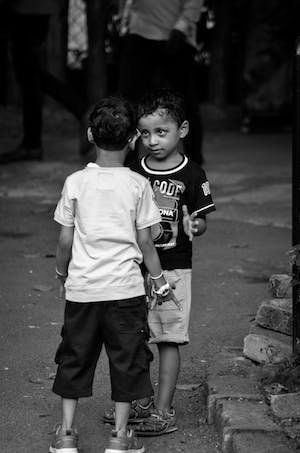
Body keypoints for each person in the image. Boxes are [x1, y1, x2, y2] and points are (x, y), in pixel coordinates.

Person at [50, 96, 178, 453]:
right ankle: (120, 437)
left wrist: (62, 273)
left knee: (74, 358)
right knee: (127, 361)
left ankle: (65, 434)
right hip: (125, 292)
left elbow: (65, 238)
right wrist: (158, 280)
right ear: (134, 139)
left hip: (83, 292)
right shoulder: (138, 185)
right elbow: (146, 241)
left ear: (90, 134)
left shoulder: (75, 182)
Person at [103, 88, 215, 436]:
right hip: (133, 269)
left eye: (161, 132)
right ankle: (139, 401)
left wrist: (195, 224)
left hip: (174, 268)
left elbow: (201, 221)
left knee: (168, 338)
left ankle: (164, 411)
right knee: (134, 337)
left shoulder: (193, 175)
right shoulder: (134, 171)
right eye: (146, 133)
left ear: (181, 130)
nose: (152, 140)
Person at [117, 0, 205, 166]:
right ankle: (126, 161)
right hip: (139, 31)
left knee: (185, 100)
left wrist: (182, 26)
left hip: (177, 35)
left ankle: (194, 162)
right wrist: (124, 20)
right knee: (128, 101)